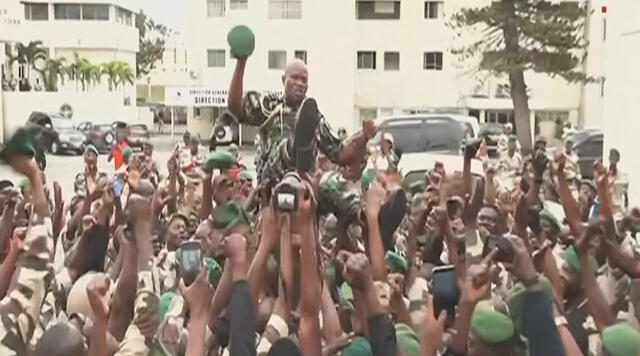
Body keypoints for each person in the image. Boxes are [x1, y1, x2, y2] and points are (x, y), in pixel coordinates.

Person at [227, 55, 375, 204]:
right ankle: (293, 145)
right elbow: (235, 107)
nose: (300, 83)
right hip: (271, 183)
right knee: (284, 149)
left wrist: (363, 137)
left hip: (304, 186)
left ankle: (367, 215)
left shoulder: (314, 118)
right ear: (283, 80)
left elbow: (341, 154)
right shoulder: (268, 107)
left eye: (304, 80)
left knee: (336, 187)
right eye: (295, 78)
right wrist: (241, 62)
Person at [608, 148, 629, 216]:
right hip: (607, 210)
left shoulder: (623, 178)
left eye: (615, 157)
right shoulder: (604, 176)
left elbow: (626, 196)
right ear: (609, 158)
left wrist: (626, 210)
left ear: (618, 159)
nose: (613, 159)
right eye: (611, 156)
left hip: (618, 211)